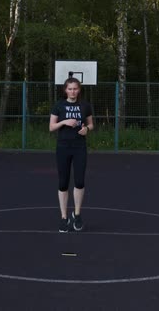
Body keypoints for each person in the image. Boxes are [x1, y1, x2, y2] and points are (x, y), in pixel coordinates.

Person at [49, 77, 94, 232]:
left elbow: (91, 124)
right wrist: (64, 122)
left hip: (79, 147)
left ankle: (77, 214)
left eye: (75, 88)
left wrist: (86, 130)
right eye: (70, 89)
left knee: (80, 181)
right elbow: (51, 127)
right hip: (63, 147)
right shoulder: (59, 106)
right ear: (65, 90)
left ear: (79, 89)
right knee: (63, 183)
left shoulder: (85, 105)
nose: (73, 91)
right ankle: (64, 217)